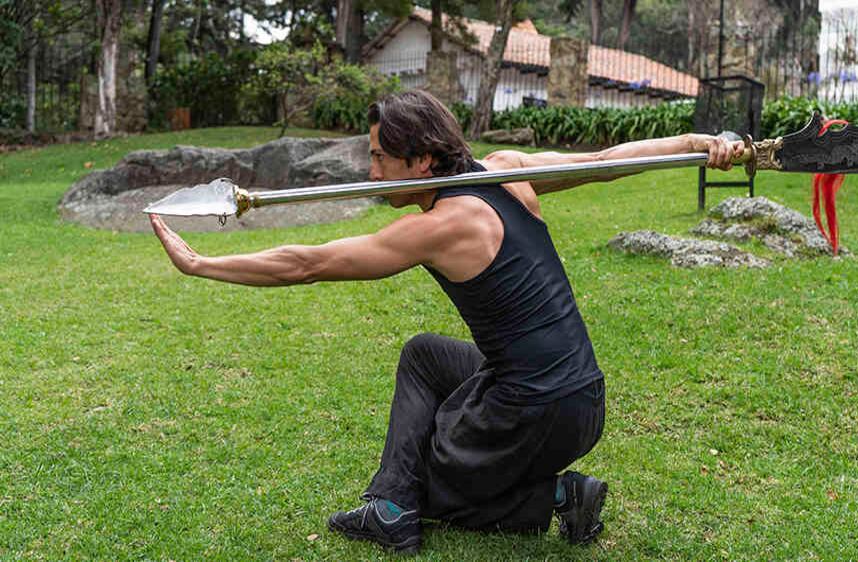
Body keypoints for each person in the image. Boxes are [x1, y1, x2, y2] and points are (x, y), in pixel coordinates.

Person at [149, 89, 743, 554]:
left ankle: (558, 494)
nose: (373, 173)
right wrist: (697, 138)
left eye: (381, 159)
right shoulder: (503, 168)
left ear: (423, 159)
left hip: (537, 409)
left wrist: (202, 264)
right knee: (425, 354)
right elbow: (607, 163)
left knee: (433, 492)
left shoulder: (439, 226)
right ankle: (389, 507)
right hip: (583, 395)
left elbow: (309, 264)